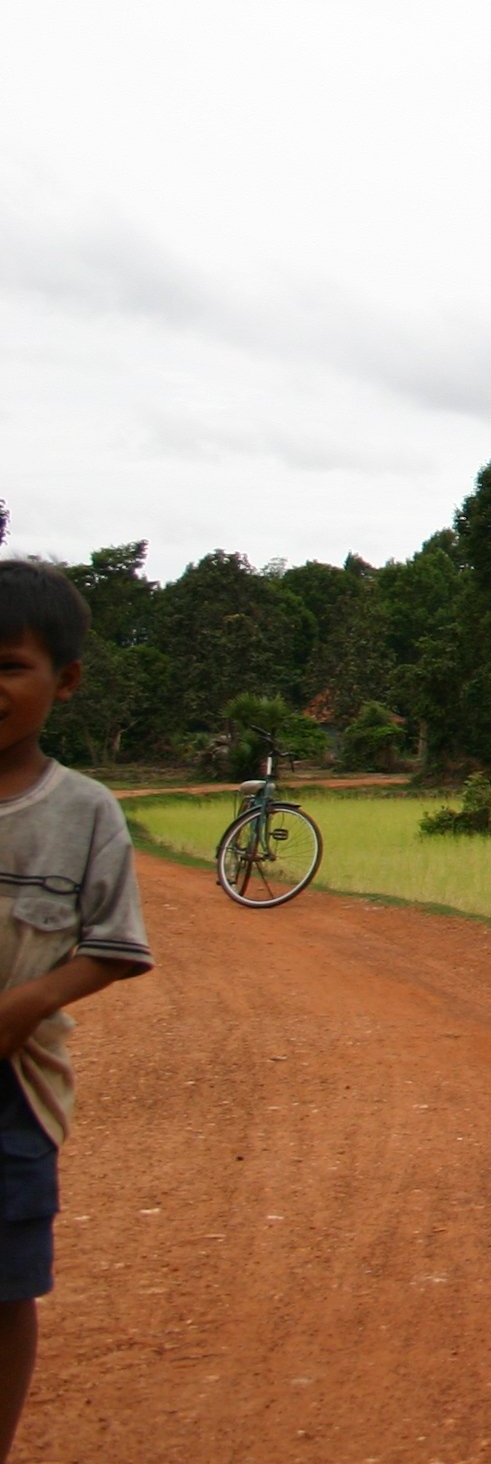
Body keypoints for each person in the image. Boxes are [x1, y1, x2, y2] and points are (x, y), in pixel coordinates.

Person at [0, 560, 154, 1458]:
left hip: (14, 1091)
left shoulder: (83, 813)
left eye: (8, 665)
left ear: (66, 680)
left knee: (6, 1289)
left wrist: (26, 1005)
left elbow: (115, 947)